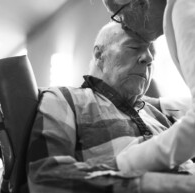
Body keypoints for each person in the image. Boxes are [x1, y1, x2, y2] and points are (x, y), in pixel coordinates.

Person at [26, 21, 195, 193]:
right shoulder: (64, 99)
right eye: (134, 47)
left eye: (152, 53)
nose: (149, 58)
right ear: (100, 55)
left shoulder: (158, 113)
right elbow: (47, 177)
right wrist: (157, 185)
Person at [103, 0, 195, 175]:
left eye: (119, 16)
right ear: (99, 55)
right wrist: (161, 104)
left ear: (139, 2)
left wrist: (126, 162)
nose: (124, 25)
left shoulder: (183, 8)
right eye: (132, 48)